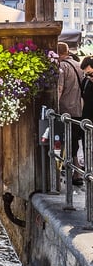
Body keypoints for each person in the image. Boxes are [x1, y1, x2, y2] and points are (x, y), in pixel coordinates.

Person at [58, 43, 84, 182]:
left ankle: (75, 171)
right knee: (75, 140)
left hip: (66, 109)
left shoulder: (62, 67)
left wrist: (55, 105)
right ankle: (77, 170)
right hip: (80, 108)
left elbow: (59, 88)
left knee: (67, 140)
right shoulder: (79, 65)